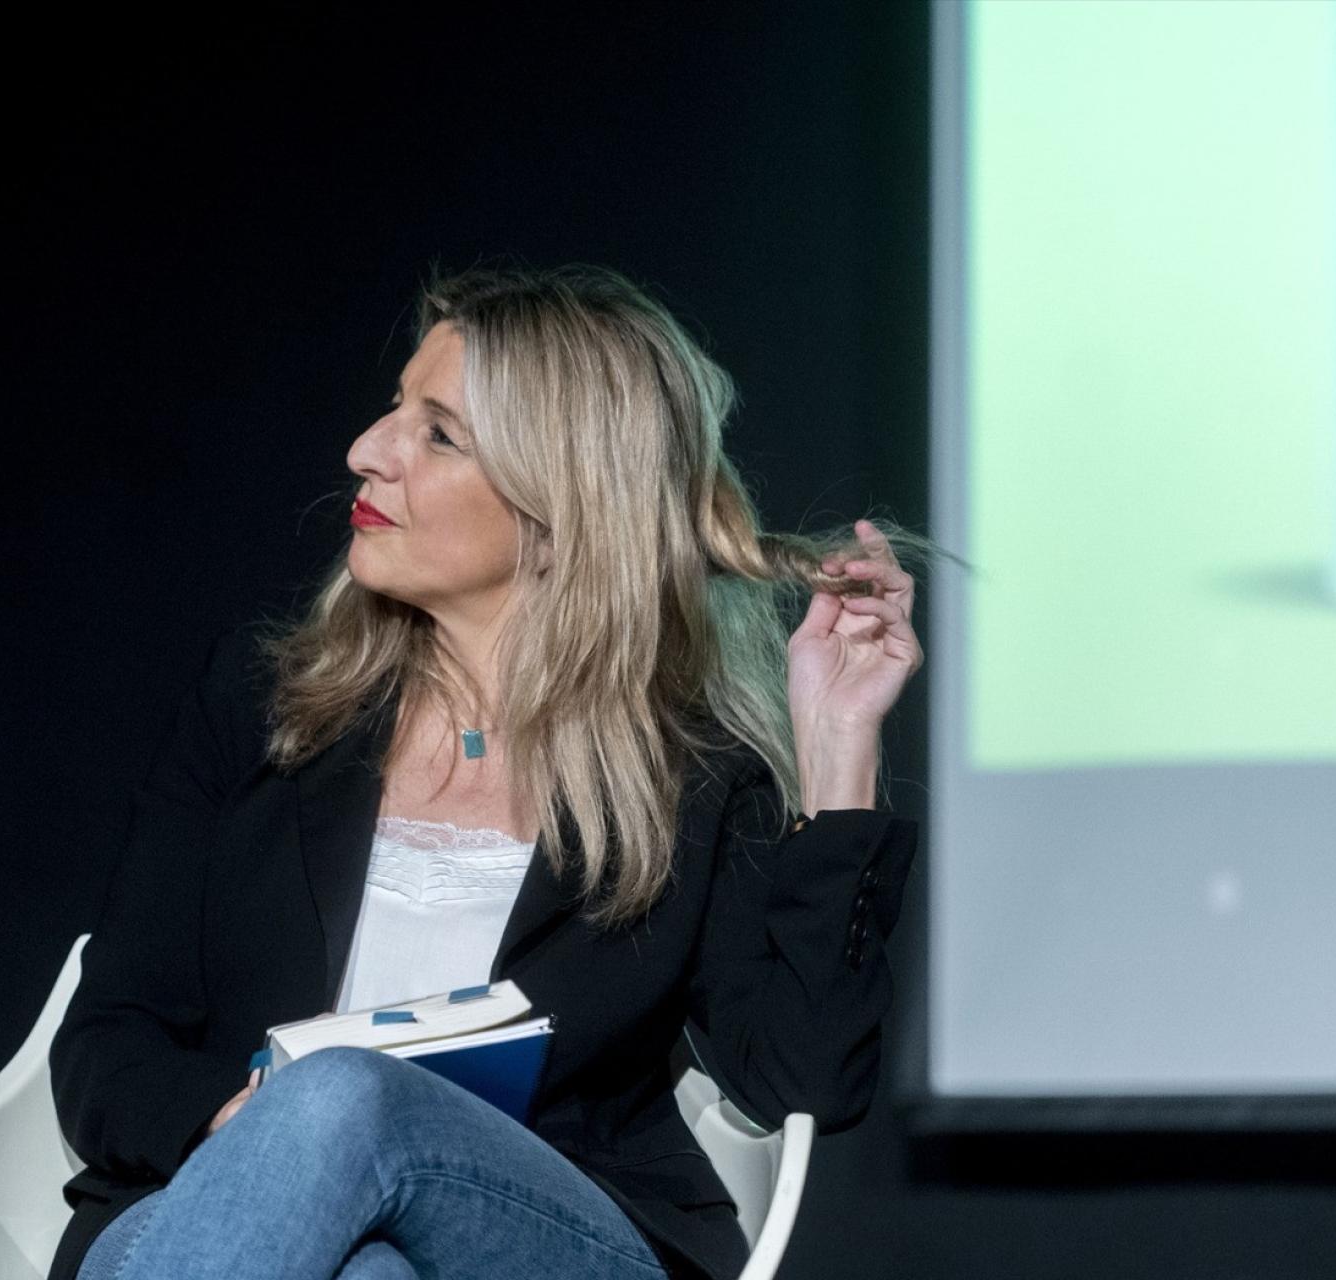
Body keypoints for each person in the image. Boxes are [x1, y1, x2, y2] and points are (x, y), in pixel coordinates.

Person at [46, 265, 923, 1280]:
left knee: (343, 1092)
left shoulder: (691, 774)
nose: (366, 452)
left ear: (559, 505)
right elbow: (110, 1042)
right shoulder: (258, 708)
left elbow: (802, 1075)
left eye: (437, 433)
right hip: (220, 1209)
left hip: (539, 1232)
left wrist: (836, 749)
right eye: (392, 411)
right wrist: (247, 1121)